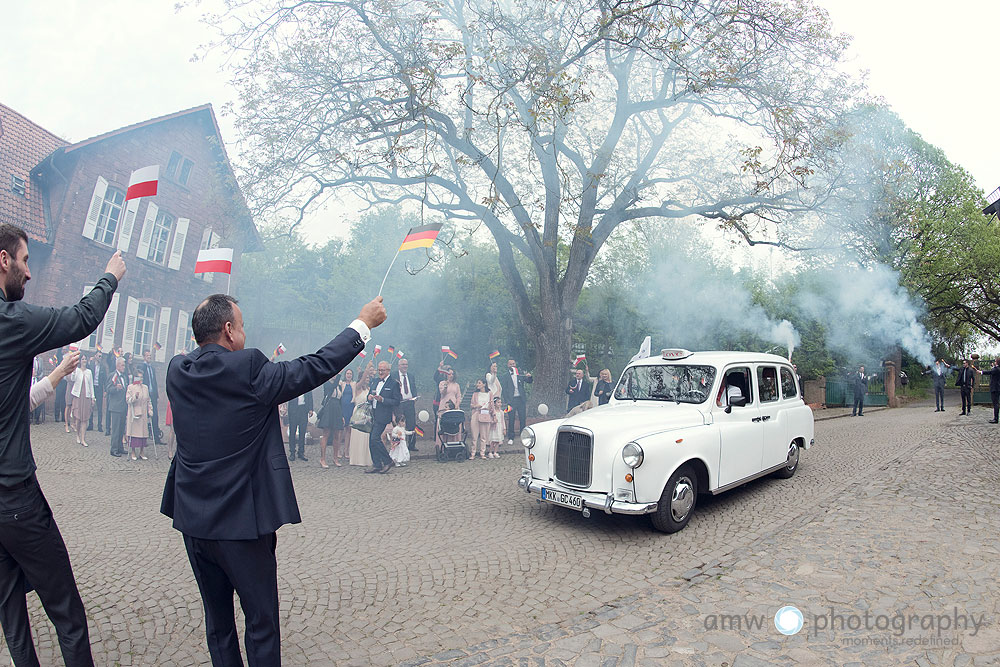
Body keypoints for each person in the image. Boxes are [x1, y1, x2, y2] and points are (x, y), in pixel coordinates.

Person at [161, 293, 385, 667]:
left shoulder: (176, 370)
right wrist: (362, 324)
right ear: (229, 331)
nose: (245, 333)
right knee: (261, 622)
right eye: (242, 325)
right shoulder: (247, 368)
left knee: (217, 623)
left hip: (193, 521)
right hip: (240, 524)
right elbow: (314, 367)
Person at [0, 222, 125, 667]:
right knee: (68, 614)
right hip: (14, 498)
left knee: (12, 617)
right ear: (4, 260)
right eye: (25, 260)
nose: (29, 273)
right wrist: (109, 276)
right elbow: (80, 318)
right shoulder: (9, 321)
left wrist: (52, 377)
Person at [367, 361, 400, 474]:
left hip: (383, 414)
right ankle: (376, 464)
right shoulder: (375, 381)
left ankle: (387, 461)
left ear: (388, 371)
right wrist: (370, 397)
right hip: (373, 414)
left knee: (375, 438)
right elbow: (369, 395)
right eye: (379, 370)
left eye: (383, 370)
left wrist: (383, 400)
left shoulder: (393, 383)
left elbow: (397, 401)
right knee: (371, 439)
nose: (380, 372)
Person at [499, 358, 532, 443]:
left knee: (522, 418)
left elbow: (529, 381)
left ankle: (523, 436)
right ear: (508, 365)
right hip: (511, 401)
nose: (512, 365)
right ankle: (511, 437)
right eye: (510, 364)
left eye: (513, 364)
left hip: (521, 400)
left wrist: (529, 376)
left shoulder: (519, 374)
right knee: (511, 418)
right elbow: (504, 389)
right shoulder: (505, 376)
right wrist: (507, 400)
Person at [348, 364, 374, 467]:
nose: (367, 379)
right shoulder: (357, 387)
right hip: (358, 412)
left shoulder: (368, 388)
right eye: (366, 377)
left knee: (366, 436)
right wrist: (367, 369)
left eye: (368, 377)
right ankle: (357, 459)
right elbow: (362, 380)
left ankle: (366, 458)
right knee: (359, 435)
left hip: (366, 413)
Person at [316, 375, 345, 468]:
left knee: (337, 434)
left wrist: (342, 415)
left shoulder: (339, 386)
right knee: (326, 434)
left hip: (337, 409)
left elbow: (341, 401)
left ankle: (335, 458)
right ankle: (322, 458)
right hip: (329, 409)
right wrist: (338, 377)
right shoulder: (327, 383)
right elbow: (332, 388)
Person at [68, 355, 96, 447]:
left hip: (86, 397)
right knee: (78, 418)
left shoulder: (89, 372)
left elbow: (91, 385)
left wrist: (93, 397)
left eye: (85, 359)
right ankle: (77, 435)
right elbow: (72, 380)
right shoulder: (77, 370)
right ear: (80, 361)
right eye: (83, 359)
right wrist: (73, 371)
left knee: (85, 418)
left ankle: (83, 438)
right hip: (78, 396)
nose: (84, 360)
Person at [126, 365, 152, 461]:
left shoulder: (145, 388)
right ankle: (133, 451)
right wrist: (134, 397)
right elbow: (128, 400)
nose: (141, 379)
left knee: (143, 433)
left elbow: (149, 400)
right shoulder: (131, 387)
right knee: (134, 433)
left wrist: (150, 410)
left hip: (143, 413)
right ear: (135, 377)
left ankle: (141, 451)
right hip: (134, 414)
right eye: (139, 377)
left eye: (142, 377)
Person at [140, 349, 164, 444]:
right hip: (145, 395)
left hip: (152, 395)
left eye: (150, 355)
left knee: (155, 416)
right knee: (144, 416)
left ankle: (156, 437)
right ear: (144, 357)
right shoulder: (141, 366)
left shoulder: (152, 368)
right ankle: (143, 439)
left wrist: (156, 395)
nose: (149, 357)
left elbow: (154, 382)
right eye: (147, 356)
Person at [394, 358, 418, 452]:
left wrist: (415, 397)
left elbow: (413, 387)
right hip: (400, 403)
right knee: (400, 423)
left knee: (412, 423)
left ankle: (412, 445)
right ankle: (399, 444)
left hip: (410, 402)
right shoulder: (394, 375)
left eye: (406, 364)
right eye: (403, 364)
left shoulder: (411, 376)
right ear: (399, 366)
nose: (405, 366)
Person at [107, 356, 128, 458]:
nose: (124, 367)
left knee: (121, 429)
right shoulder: (113, 375)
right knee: (115, 430)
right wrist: (116, 388)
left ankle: (120, 447)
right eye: (123, 365)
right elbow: (108, 389)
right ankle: (114, 449)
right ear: (118, 365)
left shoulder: (124, 377)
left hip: (123, 406)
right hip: (115, 407)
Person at [286, 387, 313, 462]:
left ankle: (301, 452)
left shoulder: (306, 384)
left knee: (302, 432)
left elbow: (310, 397)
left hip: (303, 410)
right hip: (293, 410)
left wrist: (310, 409)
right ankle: (292, 452)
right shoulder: (292, 384)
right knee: (292, 431)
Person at [468, 378, 491, 460]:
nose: (477, 384)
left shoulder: (489, 394)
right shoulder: (475, 394)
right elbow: (471, 405)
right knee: (474, 435)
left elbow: (491, 405)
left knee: (484, 436)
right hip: (476, 414)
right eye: (477, 383)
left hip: (485, 414)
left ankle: (482, 453)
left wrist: (493, 415)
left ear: (484, 384)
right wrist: (476, 406)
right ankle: (473, 453)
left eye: (479, 383)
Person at [979, 358, 1000, 424]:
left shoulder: (996, 369)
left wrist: (981, 372)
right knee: (996, 403)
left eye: (995, 361)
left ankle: (996, 418)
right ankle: (996, 418)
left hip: (995, 388)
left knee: (995, 403)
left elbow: (990, 372)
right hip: (997, 388)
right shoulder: (997, 369)